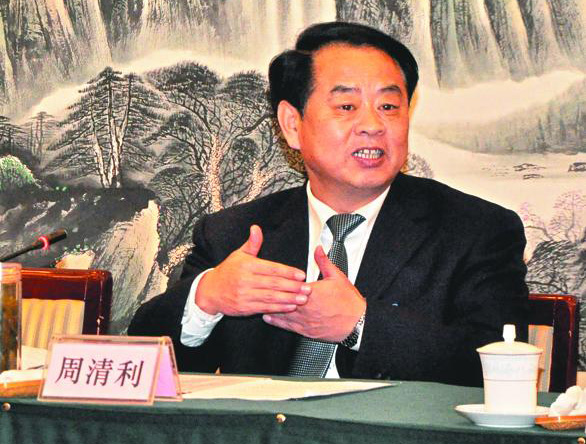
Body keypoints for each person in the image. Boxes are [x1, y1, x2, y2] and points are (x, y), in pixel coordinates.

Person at [129, 21, 528, 387]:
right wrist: (208, 297)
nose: (373, 125)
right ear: (292, 125)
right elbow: (145, 367)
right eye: (347, 107)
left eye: (389, 107)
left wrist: (361, 325)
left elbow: (497, 367)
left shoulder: (475, 230)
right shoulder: (235, 234)